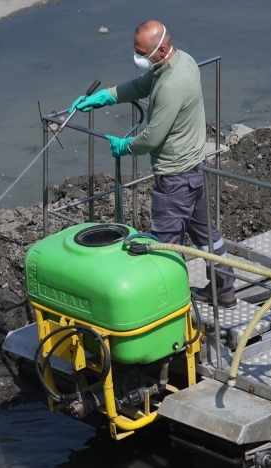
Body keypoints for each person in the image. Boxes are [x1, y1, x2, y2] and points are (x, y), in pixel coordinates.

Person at [69, 21, 237, 307]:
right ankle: (224, 290)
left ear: (160, 51)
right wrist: (106, 97)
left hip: (174, 179)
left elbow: (152, 137)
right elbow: (142, 85)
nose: (138, 57)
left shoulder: (172, 85)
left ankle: (172, 306)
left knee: (165, 246)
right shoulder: (181, 60)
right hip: (195, 170)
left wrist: (124, 147)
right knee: (206, 235)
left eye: (142, 53)